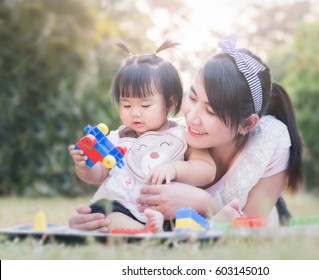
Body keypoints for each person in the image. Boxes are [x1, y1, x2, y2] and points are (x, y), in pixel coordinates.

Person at [68, 35, 303, 232]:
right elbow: (112, 180)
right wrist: (92, 216)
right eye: (192, 98)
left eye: (210, 111)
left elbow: (253, 232)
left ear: (247, 124)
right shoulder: (169, 134)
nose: (191, 117)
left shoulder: (269, 141)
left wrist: (202, 202)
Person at [68, 40, 216, 232]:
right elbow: (99, 175)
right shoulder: (117, 138)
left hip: (165, 209)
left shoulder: (181, 135)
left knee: (191, 221)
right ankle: (143, 233)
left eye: (145, 105)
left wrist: (174, 168)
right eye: (126, 105)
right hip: (122, 208)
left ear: (170, 104)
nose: (135, 113)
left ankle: (157, 230)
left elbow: (206, 170)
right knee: (106, 216)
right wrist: (85, 166)